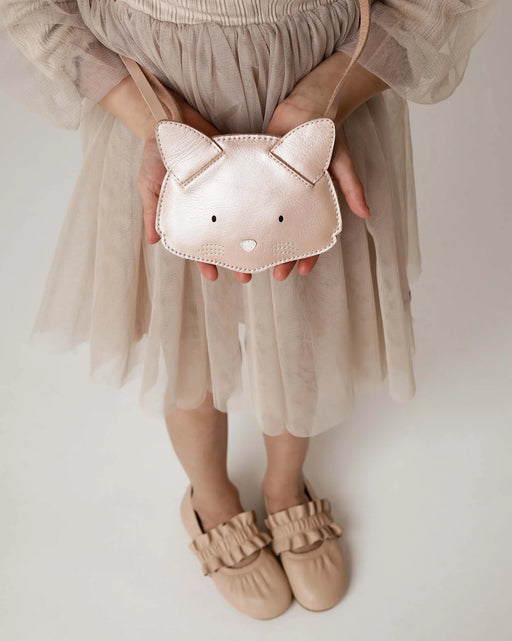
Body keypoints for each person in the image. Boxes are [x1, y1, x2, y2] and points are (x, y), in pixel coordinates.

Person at [0, 0, 496, 620]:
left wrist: (332, 93)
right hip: (158, 92)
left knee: (304, 325)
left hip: (320, 87)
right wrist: (145, 111)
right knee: (188, 334)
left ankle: (285, 485)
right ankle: (210, 500)